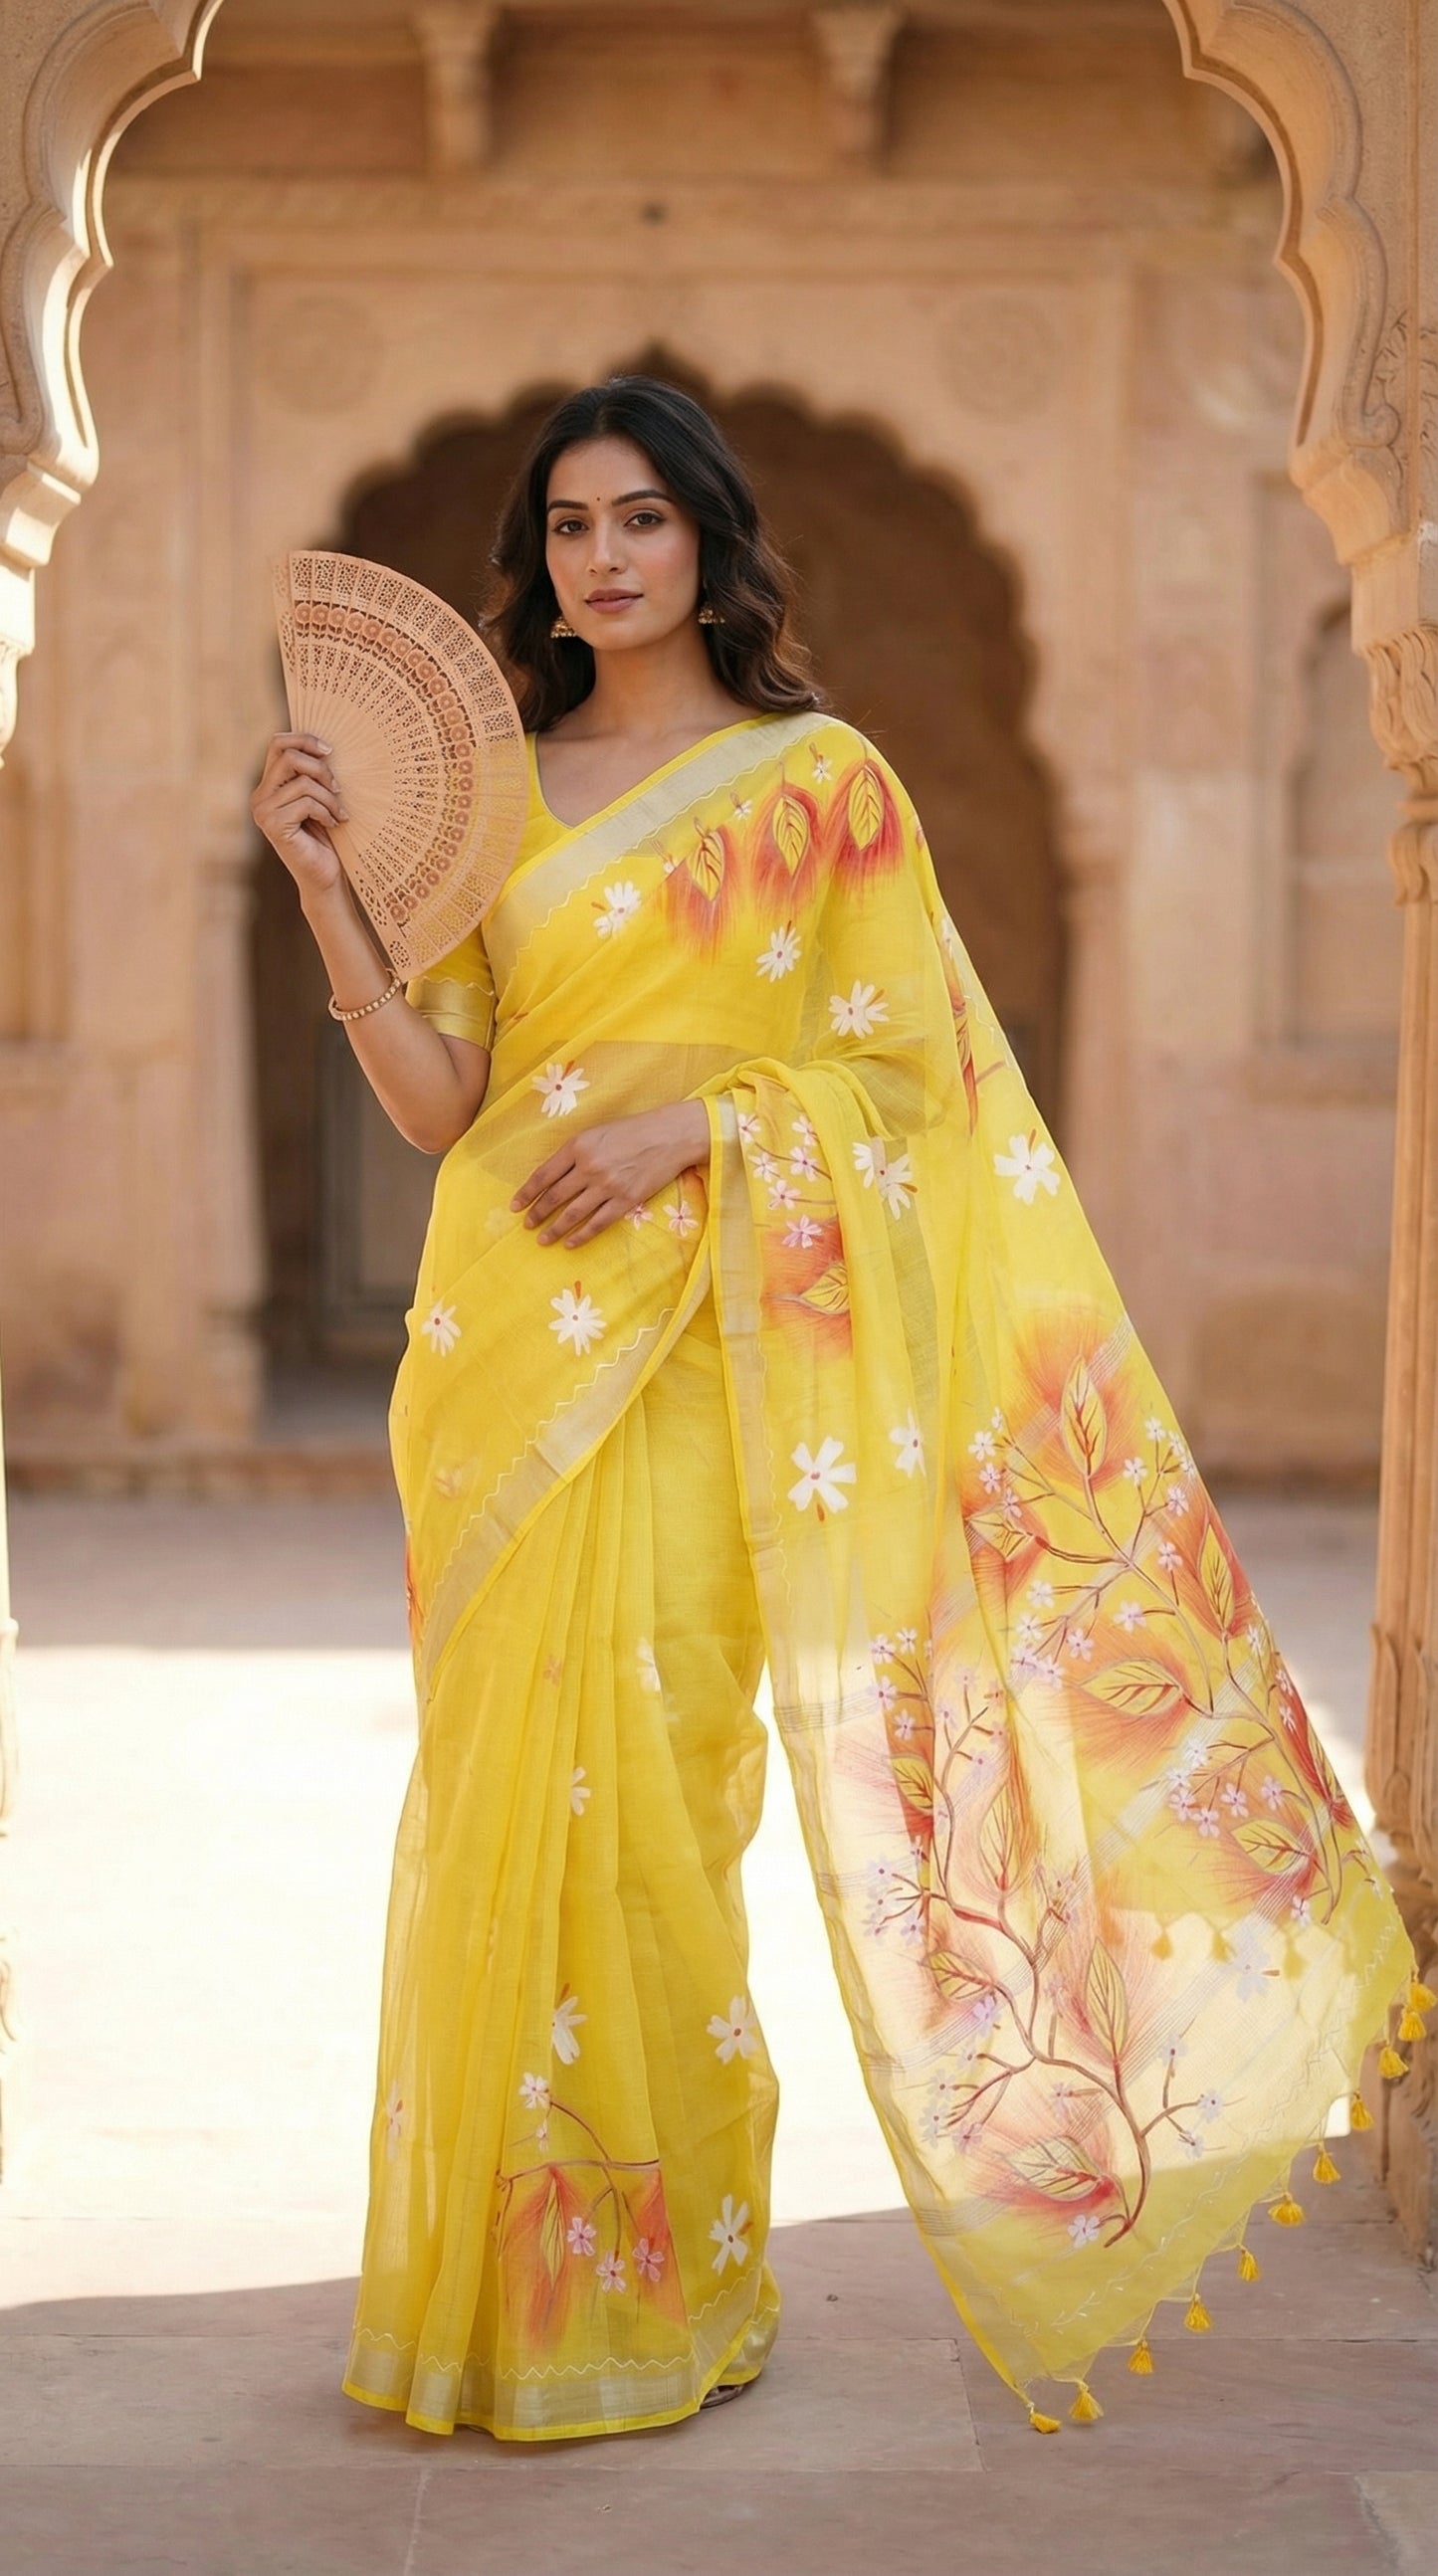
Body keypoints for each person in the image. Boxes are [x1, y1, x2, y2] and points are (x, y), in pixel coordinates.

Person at [251, 376, 1423, 2446]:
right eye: (565, 527)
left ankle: (663, 2272)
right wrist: (330, 886)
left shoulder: (823, 787)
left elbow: (920, 1095)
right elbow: (445, 1106)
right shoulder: (497, 791)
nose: (599, 557)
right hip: (506, 1350)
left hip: (712, 1354)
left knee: (664, 1812)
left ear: (709, 538)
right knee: (504, 1811)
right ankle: (510, 2294)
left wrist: (710, 1124)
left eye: (638, 518)